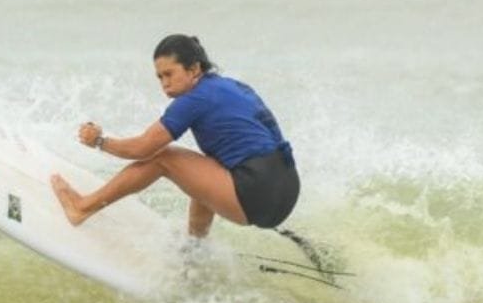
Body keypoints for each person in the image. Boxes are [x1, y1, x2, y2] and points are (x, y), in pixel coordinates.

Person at [50, 34, 299, 238]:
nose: (164, 83)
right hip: (285, 187)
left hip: (256, 192)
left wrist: (99, 141)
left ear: (194, 69)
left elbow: (143, 148)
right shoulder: (230, 87)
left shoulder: (194, 99)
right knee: (203, 166)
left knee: (164, 158)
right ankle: (195, 249)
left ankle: (81, 208)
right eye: (159, 77)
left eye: (169, 74)